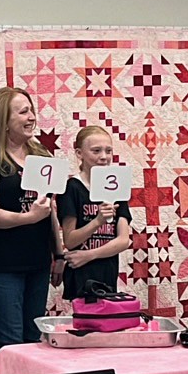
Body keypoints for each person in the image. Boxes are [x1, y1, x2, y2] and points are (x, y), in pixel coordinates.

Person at [0, 86, 64, 357]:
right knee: (10, 341)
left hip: (37, 262)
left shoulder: (39, 153)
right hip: (2, 265)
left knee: (33, 340)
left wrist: (58, 252)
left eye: (31, 110)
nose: (31, 117)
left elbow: (51, 209)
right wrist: (29, 218)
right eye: (23, 111)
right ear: (3, 119)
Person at [55, 125, 132, 300]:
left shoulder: (117, 187)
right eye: (96, 151)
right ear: (79, 153)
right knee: (85, 323)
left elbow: (123, 240)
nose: (104, 157)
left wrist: (89, 255)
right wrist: (97, 221)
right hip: (81, 275)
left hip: (106, 271)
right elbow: (70, 240)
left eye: (108, 151)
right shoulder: (71, 188)